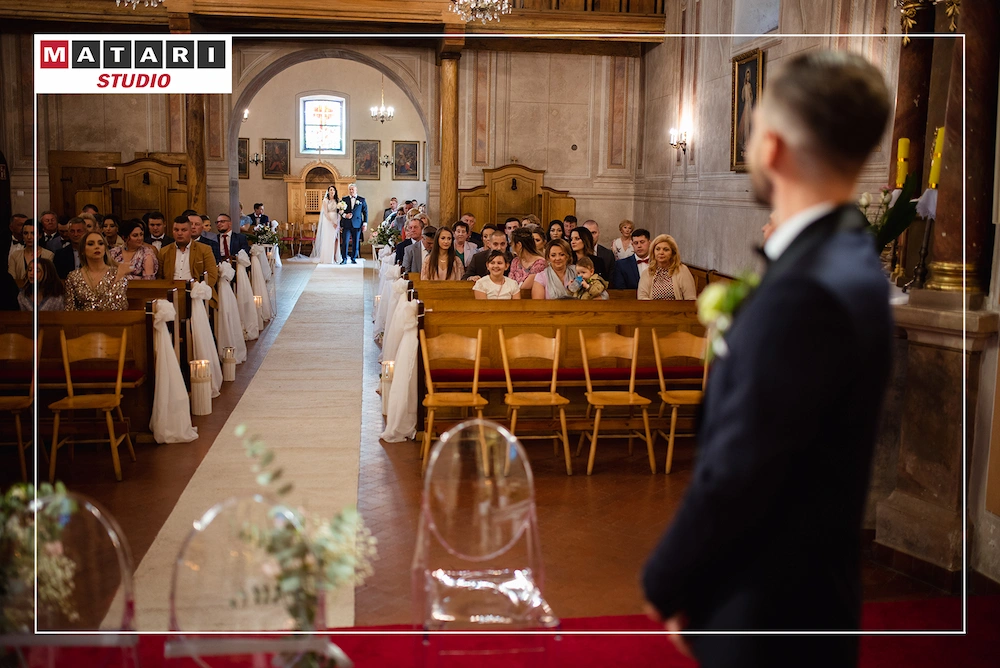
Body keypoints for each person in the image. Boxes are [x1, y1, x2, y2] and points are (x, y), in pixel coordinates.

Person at [642, 50, 894, 668]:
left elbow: (742, 467)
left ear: (774, 147)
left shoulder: (803, 291)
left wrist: (669, 578)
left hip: (768, 610)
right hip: (815, 595)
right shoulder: (852, 256)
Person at [157, 215, 219, 302]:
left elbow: (212, 276)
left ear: (190, 231)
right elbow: (159, 277)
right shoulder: (164, 251)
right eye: (176, 230)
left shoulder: (204, 249)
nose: (179, 233)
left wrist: (196, 289)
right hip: (170, 293)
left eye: (183, 230)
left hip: (198, 294)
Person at [63, 231, 130, 311]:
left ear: (105, 248)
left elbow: (121, 306)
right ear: (82, 250)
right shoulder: (73, 277)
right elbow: (69, 309)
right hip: (82, 322)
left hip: (112, 321)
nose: (97, 247)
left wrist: (118, 279)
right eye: (91, 244)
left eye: (100, 243)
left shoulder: (117, 273)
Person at [637, 234, 696, 300]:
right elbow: (642, 298)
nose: (661, 252)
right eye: (658, 249)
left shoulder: (682, 270)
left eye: (666, 250)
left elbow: (690, 298)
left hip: (678, 309)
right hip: (653, 309)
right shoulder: (647, 272)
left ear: (673, 253)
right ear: (653, 252)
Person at [9, 220, 55, 288]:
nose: (29, 237)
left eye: (33, 233)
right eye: (25, 233)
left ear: (40, 235)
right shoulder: (15, 255)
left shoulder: (49, 255)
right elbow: (11, 279)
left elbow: (49, 279)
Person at [311, 185, 343, 264]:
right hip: (328, 221)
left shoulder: (338, 200)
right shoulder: (325, 200)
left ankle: (335, 256)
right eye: (330, 190)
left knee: (336, 239)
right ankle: (328, 257)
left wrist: (339, 217)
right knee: (328, 239)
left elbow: (339, 211)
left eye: (333, 190)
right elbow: (325, 213)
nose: (332, 191)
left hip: (336, 220)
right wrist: (332, 223)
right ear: (328, 191)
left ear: (335, 191)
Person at [508, 228, 547, 292]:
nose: (512, 247)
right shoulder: (515, 261)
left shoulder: (540, 263)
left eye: (512, 244)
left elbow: (524, 289)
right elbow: (509, 284)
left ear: (519, 245)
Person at [340, 183, 367, 264]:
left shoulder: (361, 200)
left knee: (356, 241)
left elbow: (365, 212)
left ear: (356, 190)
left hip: (357, 224)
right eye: (350, 189)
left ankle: (353, 258)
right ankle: (344, 259)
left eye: (353, 189)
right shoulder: (344, 199)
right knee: (345, 241)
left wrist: (365, 224)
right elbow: (340, 211)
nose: (351, 191)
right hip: (347, 224)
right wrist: (345, 215)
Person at [738, 66, 755, 160]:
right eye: (747, 77)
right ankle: (745, 141)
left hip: (749, 105)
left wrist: (750, 98)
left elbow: (751, 95)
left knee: (749, 123)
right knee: (745, 123)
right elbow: (742, 97)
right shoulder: (745, 86)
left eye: (749, 77)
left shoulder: (749, 85)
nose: (748, 78)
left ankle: (749, 141)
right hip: (746, 106)